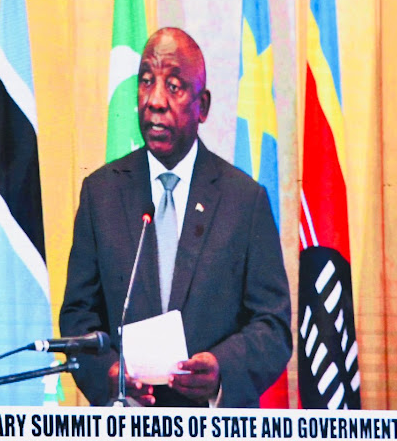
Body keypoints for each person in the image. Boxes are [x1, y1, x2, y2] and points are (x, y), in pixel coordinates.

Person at [60, 27, 291, 407]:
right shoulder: (100, 194)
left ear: (203, 106)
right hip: (126, 436)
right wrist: (109, 373)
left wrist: (221, 369)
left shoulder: (244, 201)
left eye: (174, 86)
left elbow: (273, 326)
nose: (155, 101)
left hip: (217, 439)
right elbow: (78, 319)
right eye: (146, 82)